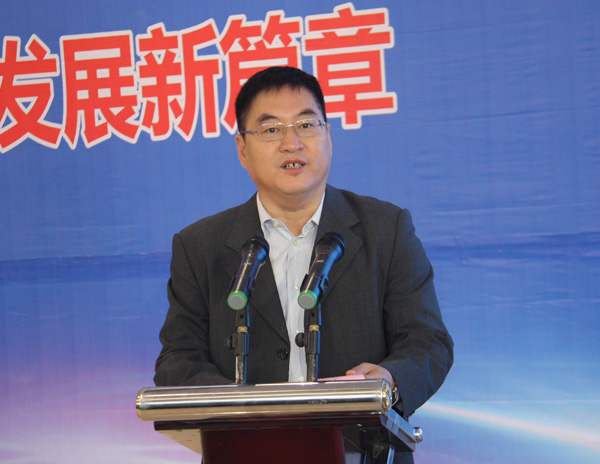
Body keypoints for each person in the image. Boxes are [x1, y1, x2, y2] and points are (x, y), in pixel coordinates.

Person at [154, 66, 453, 463]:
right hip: (245, 452)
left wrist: (390, 381)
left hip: (362, 452)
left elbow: (427, 342)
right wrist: (237, 406)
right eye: (271, 129)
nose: (291, 143)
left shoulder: (386, 228)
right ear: (242, 149)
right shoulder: (200, 246)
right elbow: (177, 360)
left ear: (328, 136)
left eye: (306, 125)